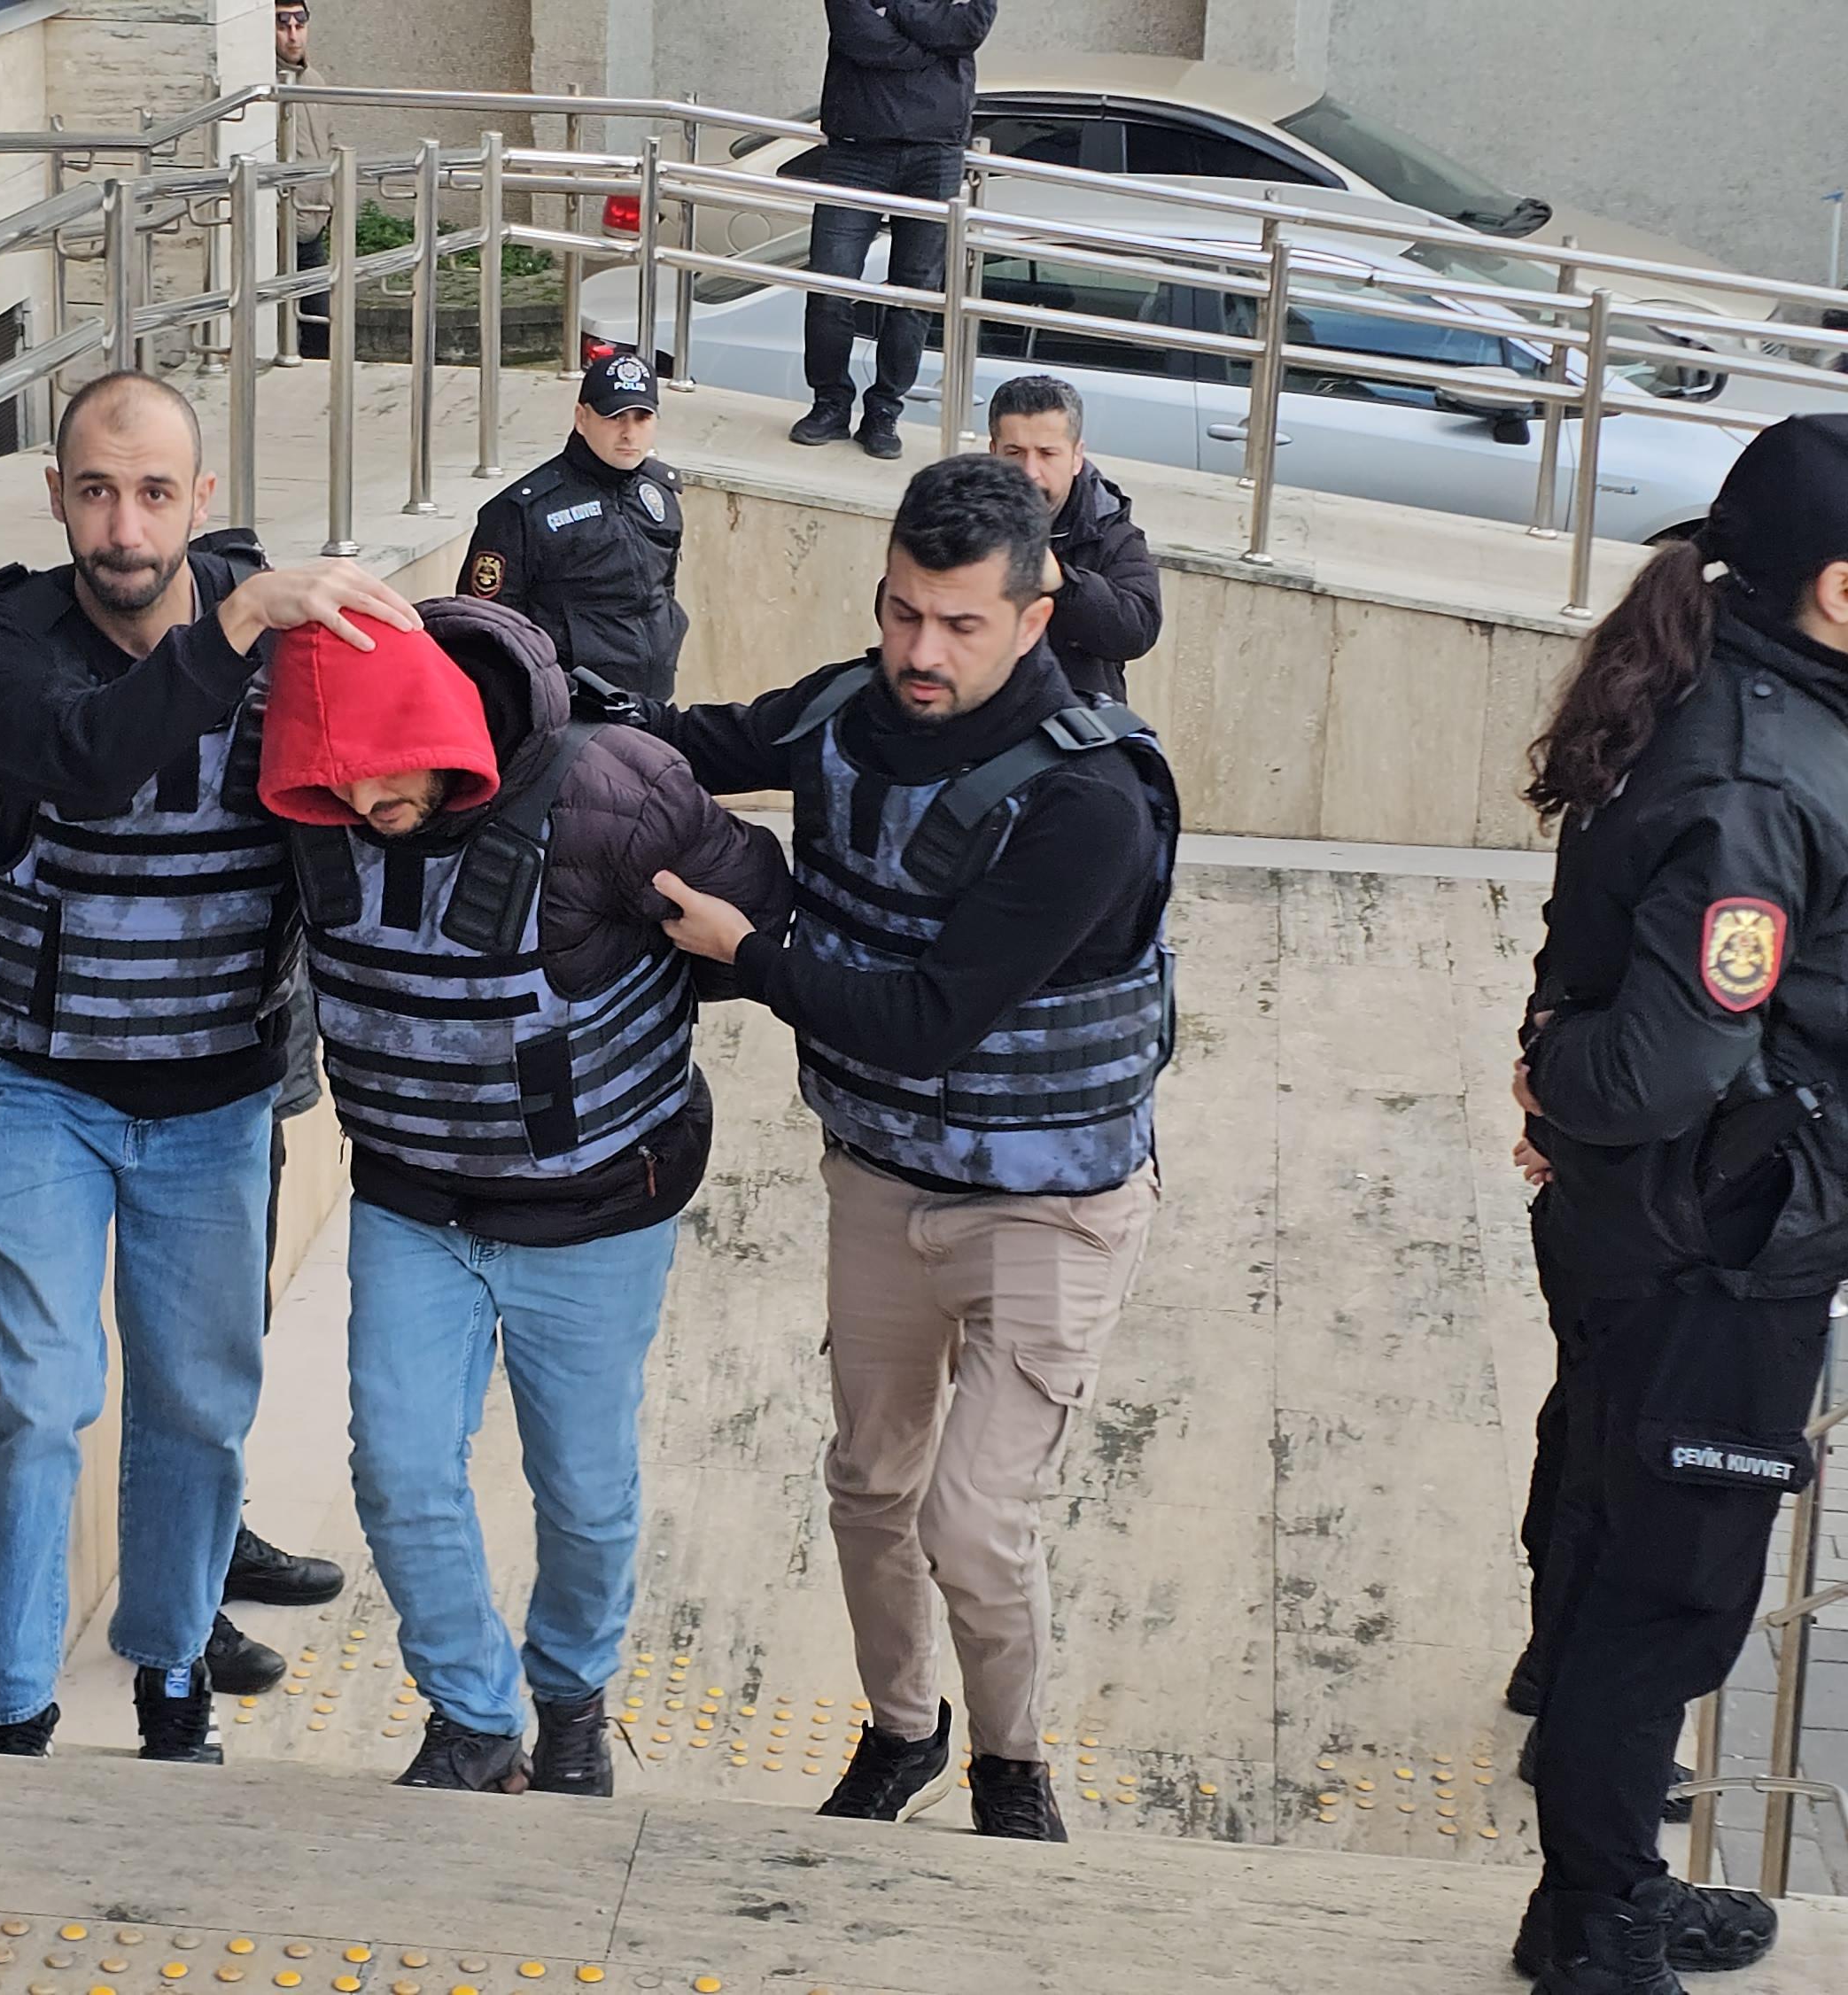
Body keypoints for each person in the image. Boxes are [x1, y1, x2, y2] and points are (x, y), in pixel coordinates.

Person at [1505, 413, 1848, 1994]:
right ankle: (1596, 1930)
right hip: (1709, 1265)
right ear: (1838, 590)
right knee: (1663, 1596)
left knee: (1623, 1554)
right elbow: (1659, 1059)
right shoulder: (1754, 772)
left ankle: (1604, 1888)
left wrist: (1560, 1086)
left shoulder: (1748, 707)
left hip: (1682, 1239)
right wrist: (1557, 1086)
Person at [638, 454, 1178, 1842]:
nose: (921, 653)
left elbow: (930, 1021)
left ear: (1037, 618)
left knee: (975, 1525)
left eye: (960, 625)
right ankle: (902, 1731)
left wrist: (749, 952)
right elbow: (683, 739)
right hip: (880, 1182)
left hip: (1049, 1211)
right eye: (901, 613)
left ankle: (1012, 1767)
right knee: (870, 1487)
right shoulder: (846, 707)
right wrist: (505, 683)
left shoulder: (1091, 800)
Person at [0, 370, 413, 1766]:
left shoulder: (291, 648)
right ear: (56, 498)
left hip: (214, 1101)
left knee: (198, 1409)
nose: (124, 528)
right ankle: (9, 1711)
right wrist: (238, 626)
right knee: (39, 1395)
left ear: (200, 500)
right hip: (38, 1090)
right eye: (95, 492)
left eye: (153, 494)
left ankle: (171, 1679)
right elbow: (90, 758)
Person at [257, 594, 790, 1796]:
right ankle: (473, 1717)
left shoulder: (614, 791)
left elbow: (756, 913)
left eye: (380, 768)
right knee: (398, 1470)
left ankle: (572, 1700)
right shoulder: (309, 798)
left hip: (594, 1212)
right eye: (334, 777)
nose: (361, 801)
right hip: (413, 1203)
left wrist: (633, 972)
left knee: (586, 1497)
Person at [788, 0, 1000, 461]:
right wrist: (932, 44)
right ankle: (830, 404)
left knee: (914, 293)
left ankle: (884, 411)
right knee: (829, 285)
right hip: (856, 149)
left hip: (937, 153)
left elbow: (969, 28)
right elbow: (860, 36)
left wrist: (896, 9)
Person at [458, 351, 692, 700]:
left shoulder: (660, 493)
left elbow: (663, 589)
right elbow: (486, 631)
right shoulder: (522, 511)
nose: (629, 433)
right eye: (615, 417)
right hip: (573, 708)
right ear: (582, 418)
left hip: (655, 701)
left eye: (642, 418)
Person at [984, 375, 1161, 704]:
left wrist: (1062, 584)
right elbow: (895, 602)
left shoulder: (1110, 529)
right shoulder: (958, 507)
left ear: (1076, 457)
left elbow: (1137, 630)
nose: (1030, 472)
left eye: (1047, 454)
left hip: (1073, 715)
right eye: (1015, 453)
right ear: (993, 452)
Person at [276, 0, 340, 360]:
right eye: (282, 25)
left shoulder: (315, 81)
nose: (292, 35)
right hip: (278, 230)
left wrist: (330, 201)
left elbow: (326, 144)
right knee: (280, 329)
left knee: (321, 328)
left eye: (299, 25)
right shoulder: (265, 86)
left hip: (313, 225)